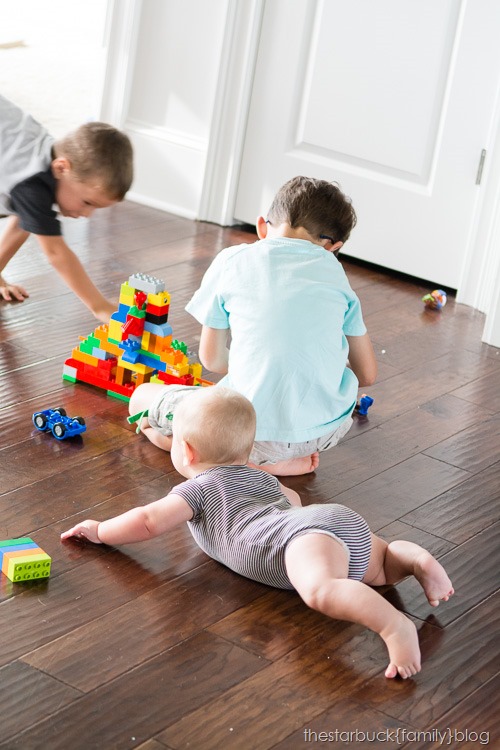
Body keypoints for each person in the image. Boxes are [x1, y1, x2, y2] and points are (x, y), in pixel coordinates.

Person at [62, 387, 454, 680]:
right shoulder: (259, 475)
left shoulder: (197, 488)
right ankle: (412, 559)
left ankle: (393, 625)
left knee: (321, 590)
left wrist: (100, 530)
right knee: (382, 568)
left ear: (187, 451)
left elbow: (147, 520)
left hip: (298, 538)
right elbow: (293, 500)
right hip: (329, 521)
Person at [128, 175, 377, 476]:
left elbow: (212, 360)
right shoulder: (335, 274)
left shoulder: (233, 260)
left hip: (247, 434)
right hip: (325, 433)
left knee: (142, 397)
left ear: (262, 227)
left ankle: (243, 463)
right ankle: (276, 461)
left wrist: (253, 363)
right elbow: (367, 374)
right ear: (332, 247)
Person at [0, 94, 133, 322]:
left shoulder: (55, 164)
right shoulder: (31, 183)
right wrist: (99, 306)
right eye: (87, 202)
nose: (86, 214)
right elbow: (55, 253)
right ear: (62, 168)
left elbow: (25, 221)